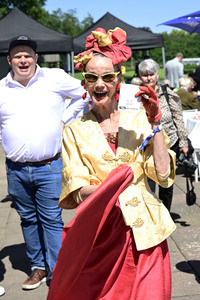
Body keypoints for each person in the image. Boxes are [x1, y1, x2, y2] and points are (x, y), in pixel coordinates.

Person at [48, 27, 176, 300]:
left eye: (107, 77)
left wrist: (156, 125)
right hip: (103, 233)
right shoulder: (74, 131)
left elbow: (163, 175)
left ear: (118, 81)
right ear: (84, 84)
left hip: (147, 231)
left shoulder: (139, 120)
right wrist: (114, 186)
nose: (99, 84)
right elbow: (77, 188)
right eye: (92, 77)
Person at [0, 35, 90, 290]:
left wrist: (66, 118)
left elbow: (84, 93)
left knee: (51, 219)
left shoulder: (54, 77)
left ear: (36, 58)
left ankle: (59, 271)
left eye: (27, 54)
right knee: (27, 220)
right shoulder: (1, 89)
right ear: (9, 61)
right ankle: (37, 268)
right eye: (17, 56)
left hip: (50, 166)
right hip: (15, 169)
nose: (23, 59)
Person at [138, 58, 188, 211]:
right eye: (144, 75)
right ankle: (153, 216)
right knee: (148, 185)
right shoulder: (136, 95)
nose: (148, 78)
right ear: (140, 76)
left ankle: (166, 213)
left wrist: (183, 142)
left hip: (169, 144)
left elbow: (178, 117)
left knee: (166, 184)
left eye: (151, 74)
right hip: (146, 147)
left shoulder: (167, 93)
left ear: (157, 75)